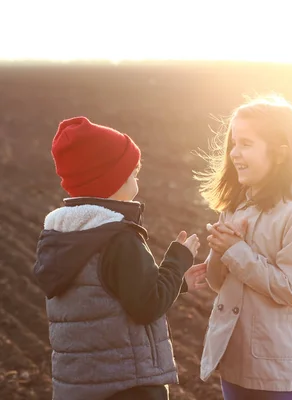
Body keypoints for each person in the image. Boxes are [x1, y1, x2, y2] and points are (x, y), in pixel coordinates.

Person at [32, 116, 207, 400]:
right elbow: (146, 305)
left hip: (78, 387)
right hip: (128, 385)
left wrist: (179, 283)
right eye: (134, 173)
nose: (137, 178)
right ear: (110, 179)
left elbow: (107, 291)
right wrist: (178, 260)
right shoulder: (119, 238)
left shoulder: (62, 236)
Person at [197, 95, 292, 399]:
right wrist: (219, 249)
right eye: (233, 143)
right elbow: (219, 284)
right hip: (236, 362)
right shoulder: (234, 210)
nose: (234, 153)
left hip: (279, 374)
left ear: (280, 153)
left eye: (246, 144)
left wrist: (235, 250)